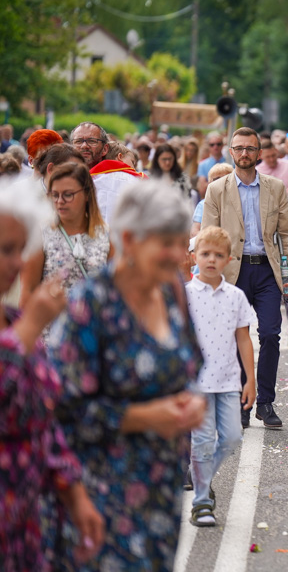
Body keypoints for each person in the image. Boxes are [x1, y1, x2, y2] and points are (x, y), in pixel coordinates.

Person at [49, 182, 208, 571]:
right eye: (164, 242)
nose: (177, 254)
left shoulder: (171, 291)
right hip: (100, 492)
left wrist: (193, 402)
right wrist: (145, 416)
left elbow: (188, 366)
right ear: (128, 240)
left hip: (161, 488)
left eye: (180, 241)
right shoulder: (92, 304)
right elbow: (60, 410)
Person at [0, 186, 105, 572]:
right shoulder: (22, 327)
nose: (15, 261)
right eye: (4, 250)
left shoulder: (12, 322)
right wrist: (32, 327)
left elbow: (44, 420)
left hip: (28, 521)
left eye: (18, 249)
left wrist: (75, 496)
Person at [203, 127, 288, 430]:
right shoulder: (217, 189)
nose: (244, 153)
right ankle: (242, 404)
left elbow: (286, 233)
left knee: (271, 334)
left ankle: (265, 402)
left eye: (250, 148)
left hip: (267, 271)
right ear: (231, 152)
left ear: (259, 153)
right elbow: (209, 237)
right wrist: (210, 274)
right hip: (233, 272)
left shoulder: (275, 187)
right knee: (234, 337)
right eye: (239, 148)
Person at [185, 226, 256, 527]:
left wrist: (250, 379)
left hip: (228, 380)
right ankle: (201, 502)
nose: (211, 260)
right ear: (194, 257)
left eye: (218, 255)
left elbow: (244, 338)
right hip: (195, 383)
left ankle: (199, 474)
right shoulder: (184, 294)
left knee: (231, 437)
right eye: (205, 254)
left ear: (228, 259)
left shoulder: (236, 296)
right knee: (201, 442)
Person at [20, 162, 112, 312]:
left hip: (94, 330)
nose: (60, 201)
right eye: (54, 195)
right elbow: (28, 292)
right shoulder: (41, 234)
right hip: (52, 330)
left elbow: (116, 289)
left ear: (87, 194)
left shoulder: (107, 235)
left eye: (68, 195)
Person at [191, 163, 233, 237]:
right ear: (210, 183)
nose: (221, 182)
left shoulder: (238, 202)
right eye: (217, 179)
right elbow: (194, 232)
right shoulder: (203, 204)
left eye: (226, 178)